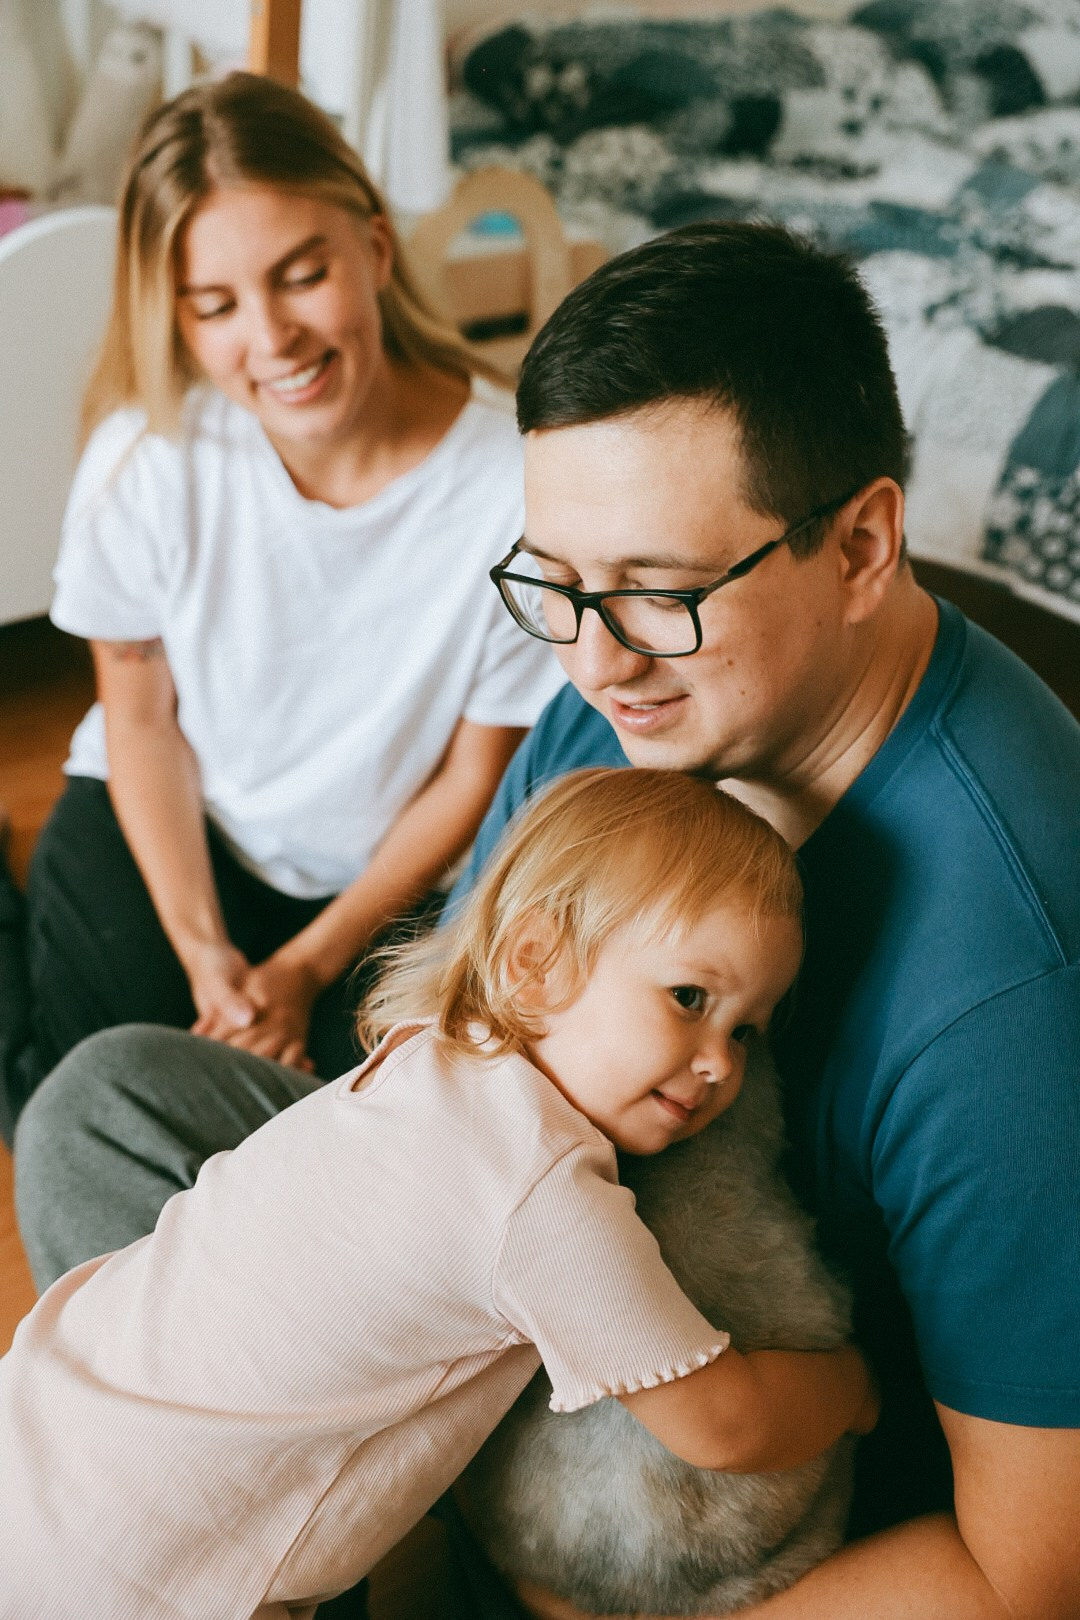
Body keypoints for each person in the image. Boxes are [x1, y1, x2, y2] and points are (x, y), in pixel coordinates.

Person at [15, 222, 1080, 1618]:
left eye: (655, 591)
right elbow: (461, 1041)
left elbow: (1029, 1567)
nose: (590, 656)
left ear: (863, 543)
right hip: (512, 1295)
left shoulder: (1007, 980)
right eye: (555, 584)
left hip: (725, 1460)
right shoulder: (627, 697)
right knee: (105, 1107)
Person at [0, 769, 878, 1620]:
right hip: (160, 1574)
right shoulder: (541, 1195)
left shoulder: (427, 1051)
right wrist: (851, 1385)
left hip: (45, 1430)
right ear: (535, 963)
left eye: (748, 1030)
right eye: (690, 997)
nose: (722, 1062)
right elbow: (723, 1427)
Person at [0, 70, 560, 1125]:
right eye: (215, 306)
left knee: (325, 1135)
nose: (272, 339)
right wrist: (209, 957)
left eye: (302, 275)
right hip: (174, 827)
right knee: (66, 1106)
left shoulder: (514, 488)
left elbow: (472, 776)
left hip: (387, 884)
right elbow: (140, 721)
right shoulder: (148, 461)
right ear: (179, 318)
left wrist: (304, 967)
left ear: (375, 251)